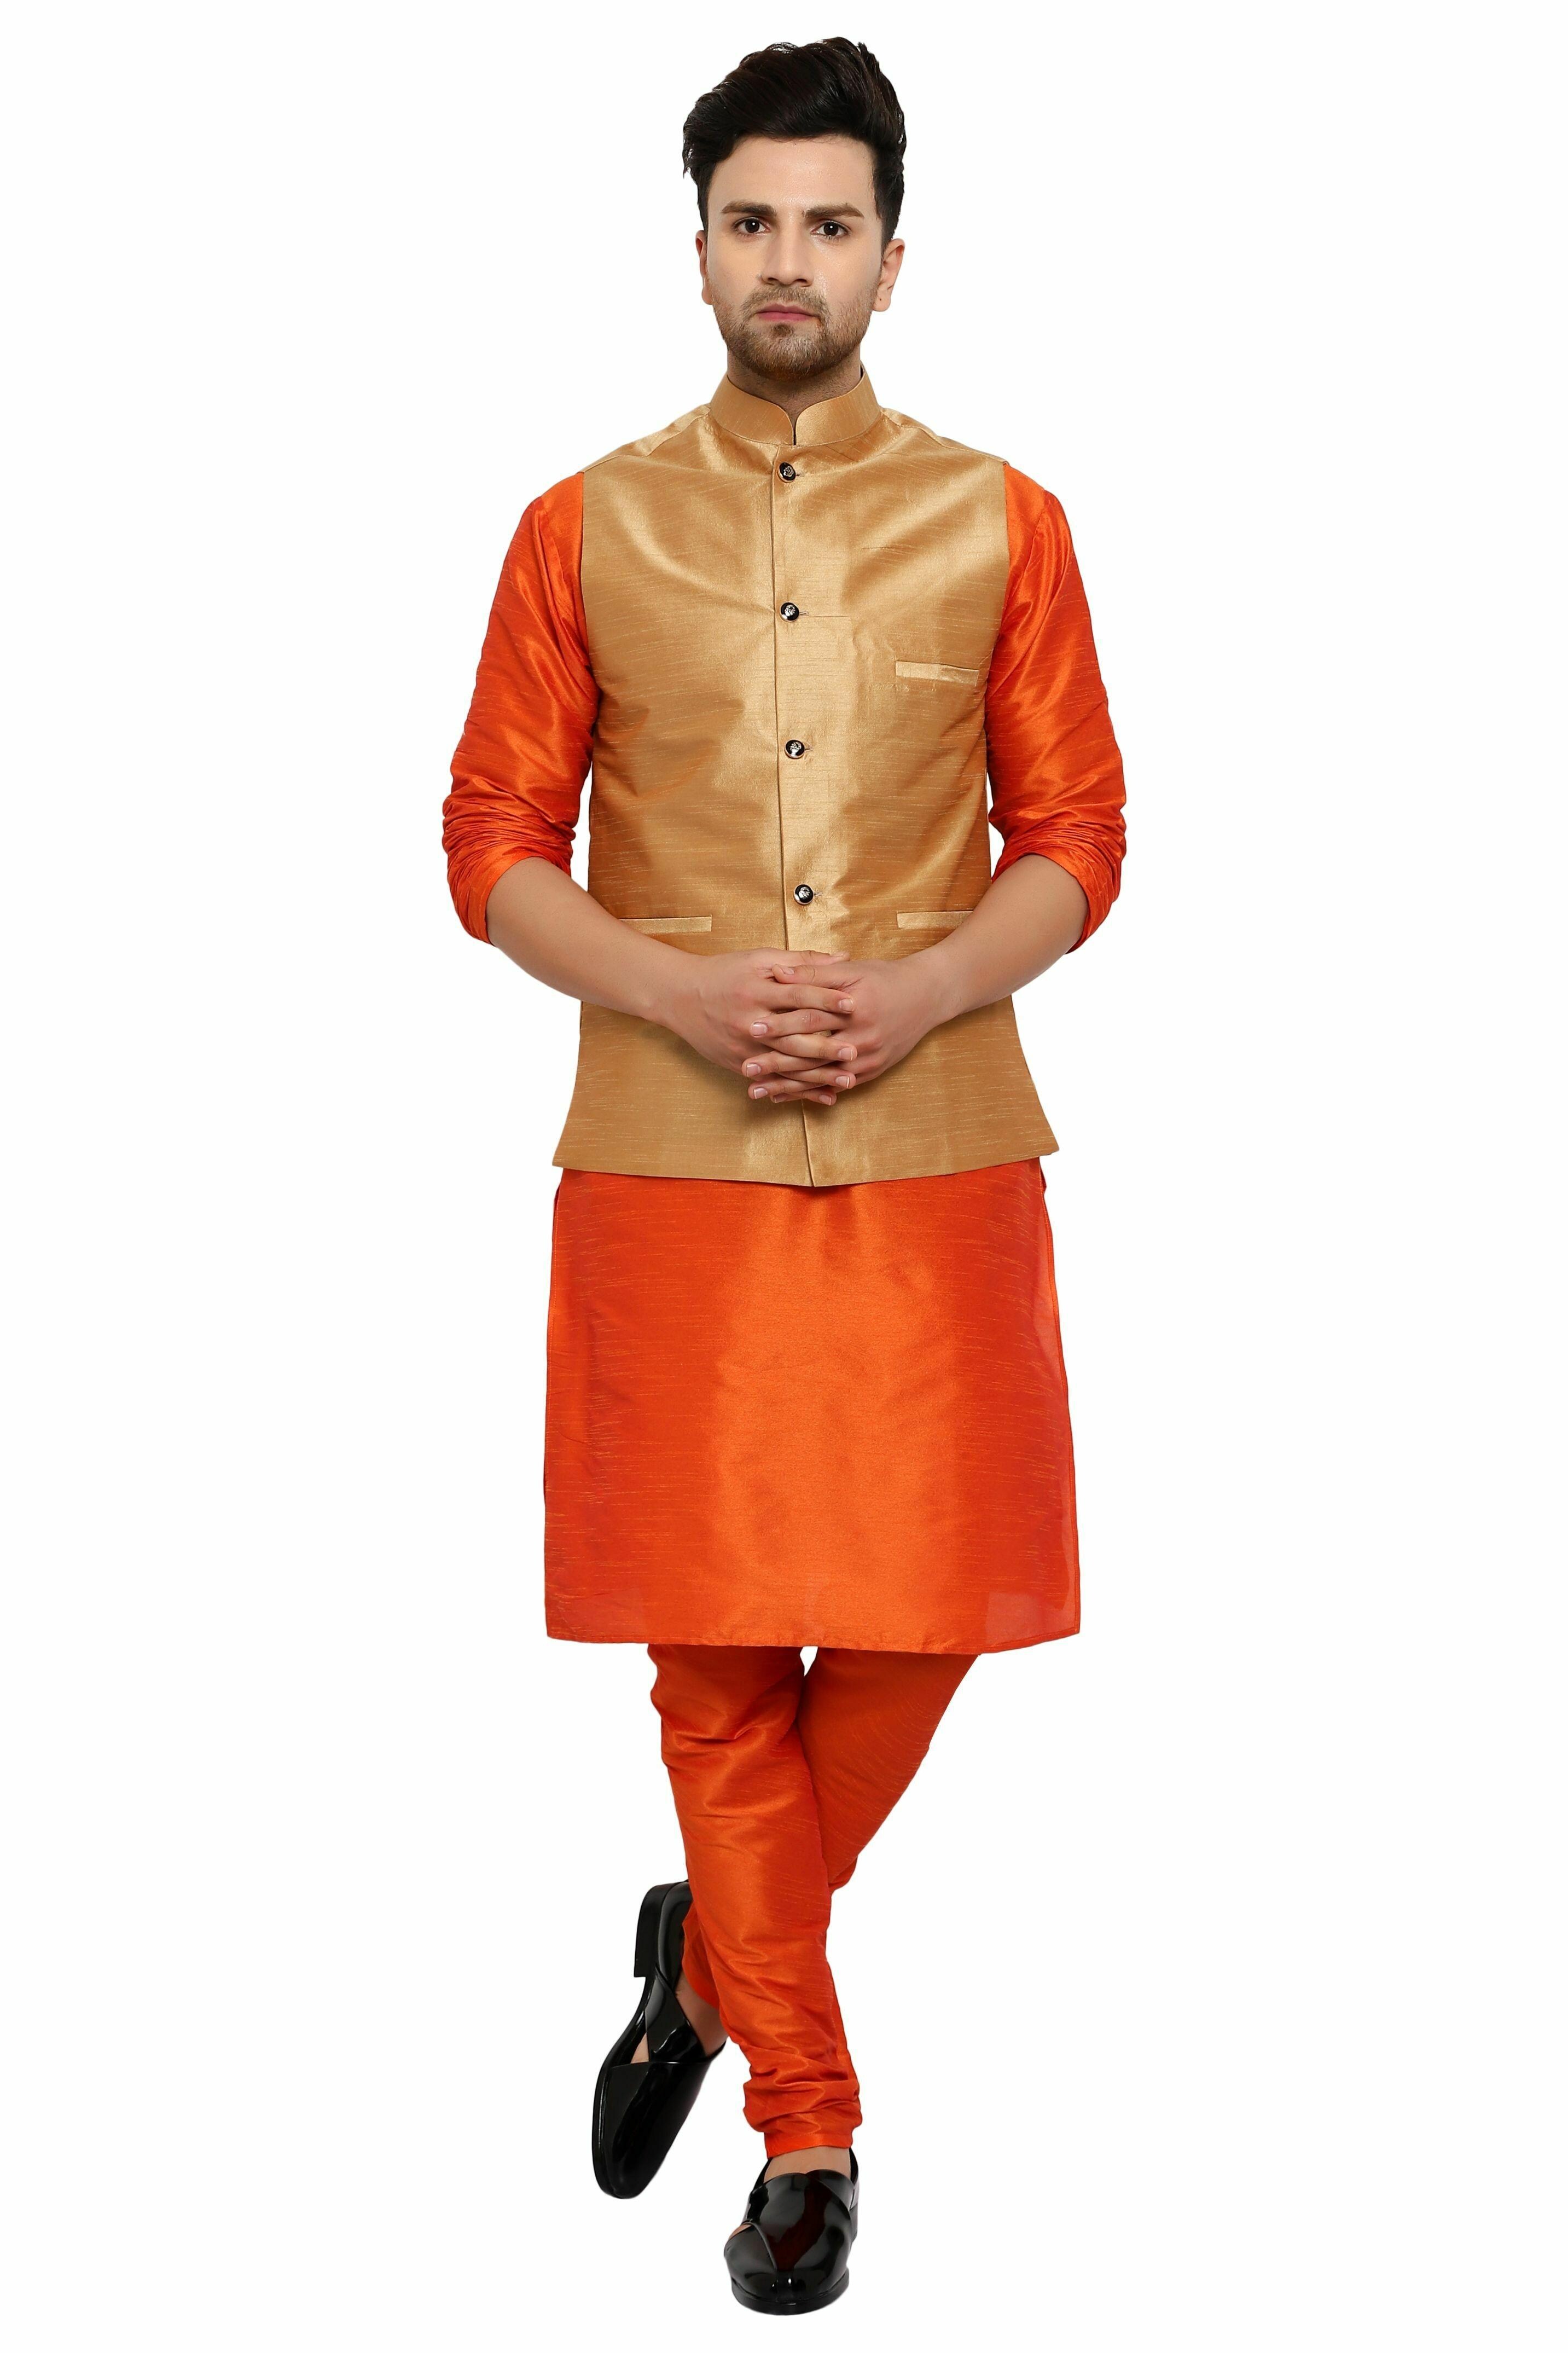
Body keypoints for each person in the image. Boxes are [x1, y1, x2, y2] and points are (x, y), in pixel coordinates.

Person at [442, 37, 1126, 2315]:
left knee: (937, 1609)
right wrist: (677, 989)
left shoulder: (1008, 520)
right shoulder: (579, 528)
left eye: (831, 222)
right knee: (718, 1652)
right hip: (667, 1157)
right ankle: (806, 2127)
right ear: (699, 248)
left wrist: (920, 992)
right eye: (753, 221)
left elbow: (1079, 835)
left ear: (893, 257)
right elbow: (490, 844)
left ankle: (713, 1954)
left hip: (941, 1146)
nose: (789, 260)